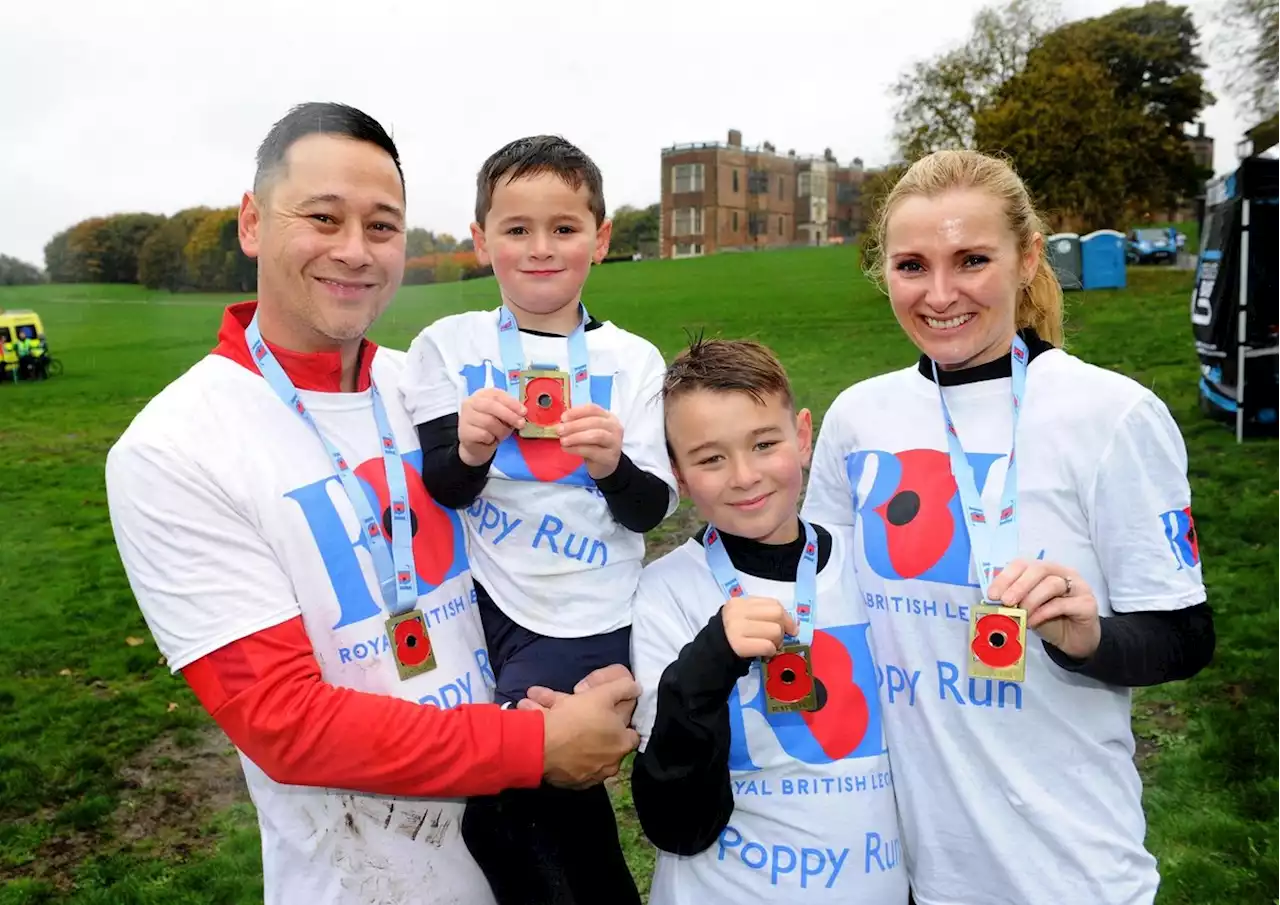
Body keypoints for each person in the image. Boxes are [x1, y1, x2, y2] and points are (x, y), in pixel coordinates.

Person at [104, 102, 641, 905]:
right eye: (322, 217)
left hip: (541, 847)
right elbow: (286, 724)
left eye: (382, 227)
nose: (354, 251)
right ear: (253, 222)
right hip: (370, 879)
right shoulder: (175, 446)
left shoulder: (431, 386)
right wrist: (534, 743)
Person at [801, 149, 1216, 905]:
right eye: (911, 266)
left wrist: (1088, 636)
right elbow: (821, 607)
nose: (940, 293)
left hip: (1070, 869)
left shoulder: (1110, 414)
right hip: (918, 868)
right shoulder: (859, 418)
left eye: (971, 260)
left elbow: (1186, 636)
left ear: (1027, 259)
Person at [400, 134, 677, 904]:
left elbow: (652, 509)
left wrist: (612, 464)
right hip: (479, 605)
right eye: (516, 229)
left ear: (602, 238)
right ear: (481, 238)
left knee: (512, 805)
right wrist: (472, 445)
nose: (541, 248)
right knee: (533, 800)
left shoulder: (634, 360)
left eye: (564, 228)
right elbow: (448, 488)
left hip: (581, 612)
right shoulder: (445, 347)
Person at [623, 337, 907, 904]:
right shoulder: (666, 593)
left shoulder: (874, 566)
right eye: (710, 458)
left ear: (803, 438)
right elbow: (678, 822)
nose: (745, 476)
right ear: (678, 473)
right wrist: (703, 670)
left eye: (764, 443)